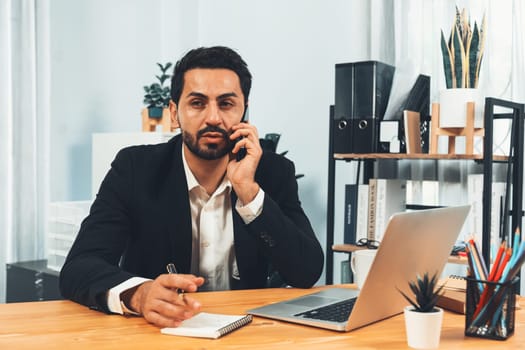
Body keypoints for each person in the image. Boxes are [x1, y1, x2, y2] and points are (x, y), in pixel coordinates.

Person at [59, 46, 324, 328]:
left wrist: (248, 191)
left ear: (244, 112)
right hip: (157, 334)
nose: (212, 117)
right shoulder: (135, 169)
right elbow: (79, 267)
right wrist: (139, 294)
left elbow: (306, 271)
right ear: (174, 113)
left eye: (226, 104)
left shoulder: (271, 172)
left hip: (246, 333)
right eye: (197, 103)